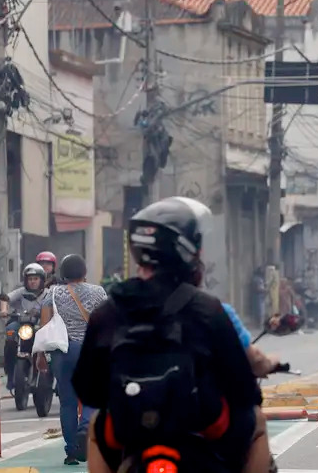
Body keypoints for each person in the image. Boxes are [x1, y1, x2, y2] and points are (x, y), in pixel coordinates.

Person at [73, 197, 271, 473]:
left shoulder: (108, 311)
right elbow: (242, 386)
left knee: (96, 426)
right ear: (187, 250)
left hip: (132, 430)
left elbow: (88, 389)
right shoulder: (207, 308)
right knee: (257, 422)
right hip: (202, 426)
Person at [40, 255, 107, 465]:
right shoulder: (98, 292)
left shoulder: (52, 293)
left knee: (67, 402)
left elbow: (44, 326)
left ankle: (71, 451)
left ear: (63, 273)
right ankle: (85, 427)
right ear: (84, 272)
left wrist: (41, 355)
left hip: (61, 352)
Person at [0, 263, 47, 392]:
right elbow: (5, 298)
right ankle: (10, 373)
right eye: (30, 279)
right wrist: (4, 310)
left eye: (35, 279)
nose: (32, 282)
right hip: (21, 324)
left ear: (42, 280)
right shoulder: (21, 292)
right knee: (10, 333)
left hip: (40, 325)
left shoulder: (48, 293)